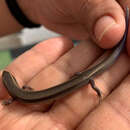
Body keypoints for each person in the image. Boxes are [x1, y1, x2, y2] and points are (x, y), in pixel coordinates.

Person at [0, 0, 130, 129]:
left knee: (91, 75)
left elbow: (16, 96)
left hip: (83, 79)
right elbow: (25, 89)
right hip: (83, 78)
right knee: (90, 75)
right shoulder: (17, 94)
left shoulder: (16, 97)